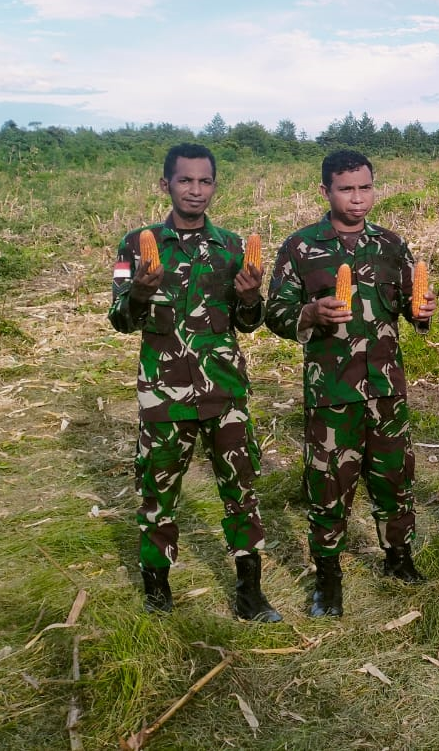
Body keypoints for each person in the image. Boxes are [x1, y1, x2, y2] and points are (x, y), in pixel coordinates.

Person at [108, 143, 280, 622]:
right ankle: (158, 590)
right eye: (185, 180)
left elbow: (247, 322)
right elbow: (120, 319)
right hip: (164, 393)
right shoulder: (134, 244)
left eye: (205, 181)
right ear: (166, 184)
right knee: (158, 491)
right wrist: (140, 291)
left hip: (224, 391)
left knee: (241, 491)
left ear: (214, 186)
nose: (196, 190)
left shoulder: (230, 246)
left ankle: (250, 592)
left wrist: (251, 297)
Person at [266, 150, 435, 618]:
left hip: (386, 388)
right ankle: (328, 579)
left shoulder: (390, 246)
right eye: (347, 189)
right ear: (326, 192)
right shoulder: (300, 248)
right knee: (327, 486)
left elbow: (408, 303)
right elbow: (274, 313)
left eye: (365, 188)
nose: (358, 199)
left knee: (395, 479)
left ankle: (399, 559)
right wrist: (309, 312)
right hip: (332, 393)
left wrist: (421, 312)